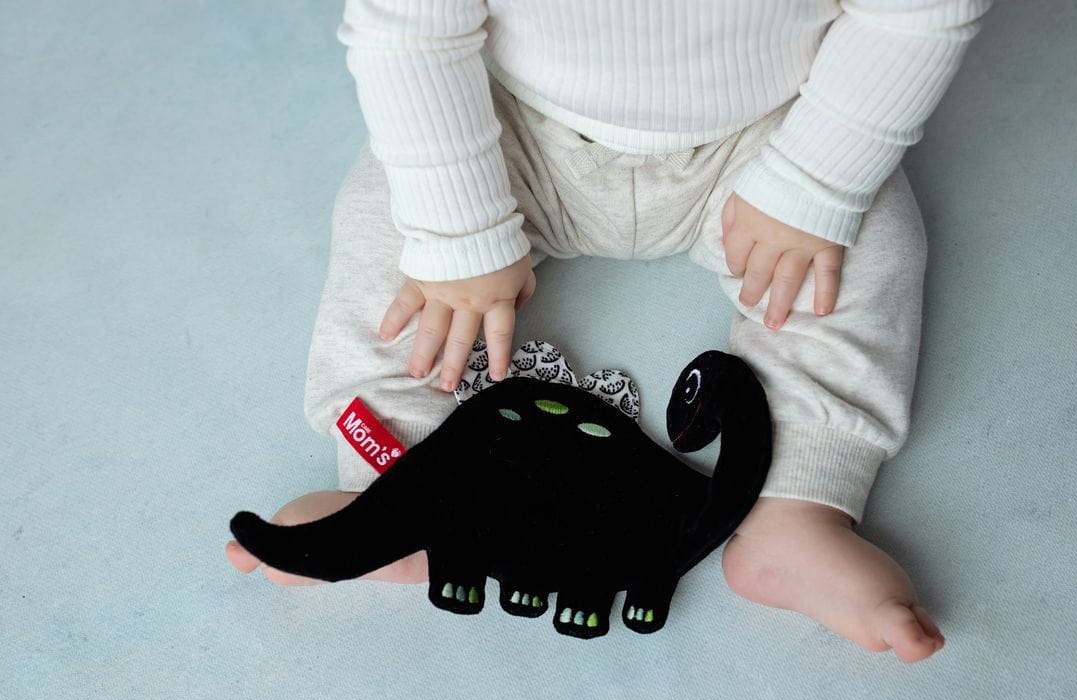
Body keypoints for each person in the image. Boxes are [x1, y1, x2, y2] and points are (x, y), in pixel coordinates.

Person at [226, 0, 993, 662]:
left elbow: (915, 14)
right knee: (391, 233)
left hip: (773, 137)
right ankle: (392, 486)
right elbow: (408, 28)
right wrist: (456, 230)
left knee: (866, 241)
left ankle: (799, 504)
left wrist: (817, 182)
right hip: (509, 129)